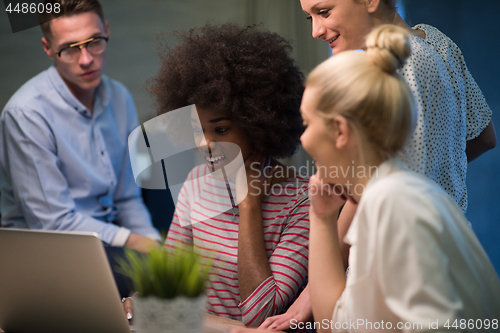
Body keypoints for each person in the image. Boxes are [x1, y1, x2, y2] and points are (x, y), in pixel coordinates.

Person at [233, 25, 500, 333]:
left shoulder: (389, 206)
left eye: (307, 124)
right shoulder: (395, 193)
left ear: (341, 131)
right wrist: (322, 217)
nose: (303, 140)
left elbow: (334, 326)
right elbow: (335, 320)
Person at [123, 23, 311, 327]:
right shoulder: (196, 182)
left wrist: (249, 205)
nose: (206, 144)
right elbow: (170, 281)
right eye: (198, 129)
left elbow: (259, 316)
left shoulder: (301, 200)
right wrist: (142, 299)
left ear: (257, 123)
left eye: (221, 130)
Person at [0, 0, 160, 253]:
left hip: (109, 241)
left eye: (95, 41)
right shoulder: (26, 113)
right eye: (69, 49)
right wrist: (136, 242)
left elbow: (127, 199)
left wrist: (156, 244)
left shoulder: (120, 97)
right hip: (44, 252)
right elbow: (53, 223)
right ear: (48, 48)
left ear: (106, 30)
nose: (86, 60)